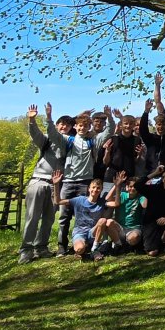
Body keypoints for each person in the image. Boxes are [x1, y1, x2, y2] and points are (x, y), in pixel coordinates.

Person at [52, 106, 114, 256]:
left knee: (85, 215)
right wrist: (48, 118)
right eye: (80, 126)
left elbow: (109, 131)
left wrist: (110, 117)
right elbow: (53, 134)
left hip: (85, 182)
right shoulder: (68, 140)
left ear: (89, 128)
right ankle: (62, 246)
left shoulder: (93, 141)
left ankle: (87, 244)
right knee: (64, 216)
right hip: (68, 182)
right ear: (75, 127)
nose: (82, 128)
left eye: (85, 126)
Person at [19, 103, 70, 263]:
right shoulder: (46, 140)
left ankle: (41, 247)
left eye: (67, 125)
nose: (64, 127)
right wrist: (32, 120)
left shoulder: (67, 143)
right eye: (61, 124)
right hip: (39, 182)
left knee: (49, 219)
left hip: (55, 185)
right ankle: (26, 250)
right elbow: (35, 134)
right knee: (32, 217)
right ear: (56, 125)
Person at [50, 170, 113, 262]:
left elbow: (116, 203)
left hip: (93, 232)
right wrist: (56, 184)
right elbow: (58, 201)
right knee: (80, 249)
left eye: (98, 188)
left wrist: (117, 185)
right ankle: (82, 249)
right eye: (93, 187)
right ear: (89, 189)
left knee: (103, 220)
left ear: (101, 190)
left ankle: (94, 249)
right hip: (79, 233)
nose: (95, 190)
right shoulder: (79, 200)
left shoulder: (101, 202)